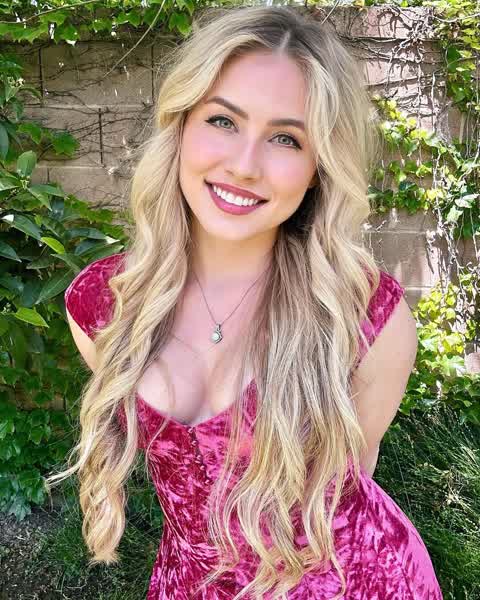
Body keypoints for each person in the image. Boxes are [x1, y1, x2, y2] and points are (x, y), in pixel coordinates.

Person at [47, 5, 443, 599]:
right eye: (223, 121)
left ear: (318, 168)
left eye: (286, 138)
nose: (244, 165)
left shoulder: (364, 320)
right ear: (181, 126)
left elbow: (354, 473)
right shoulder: (104, 305)